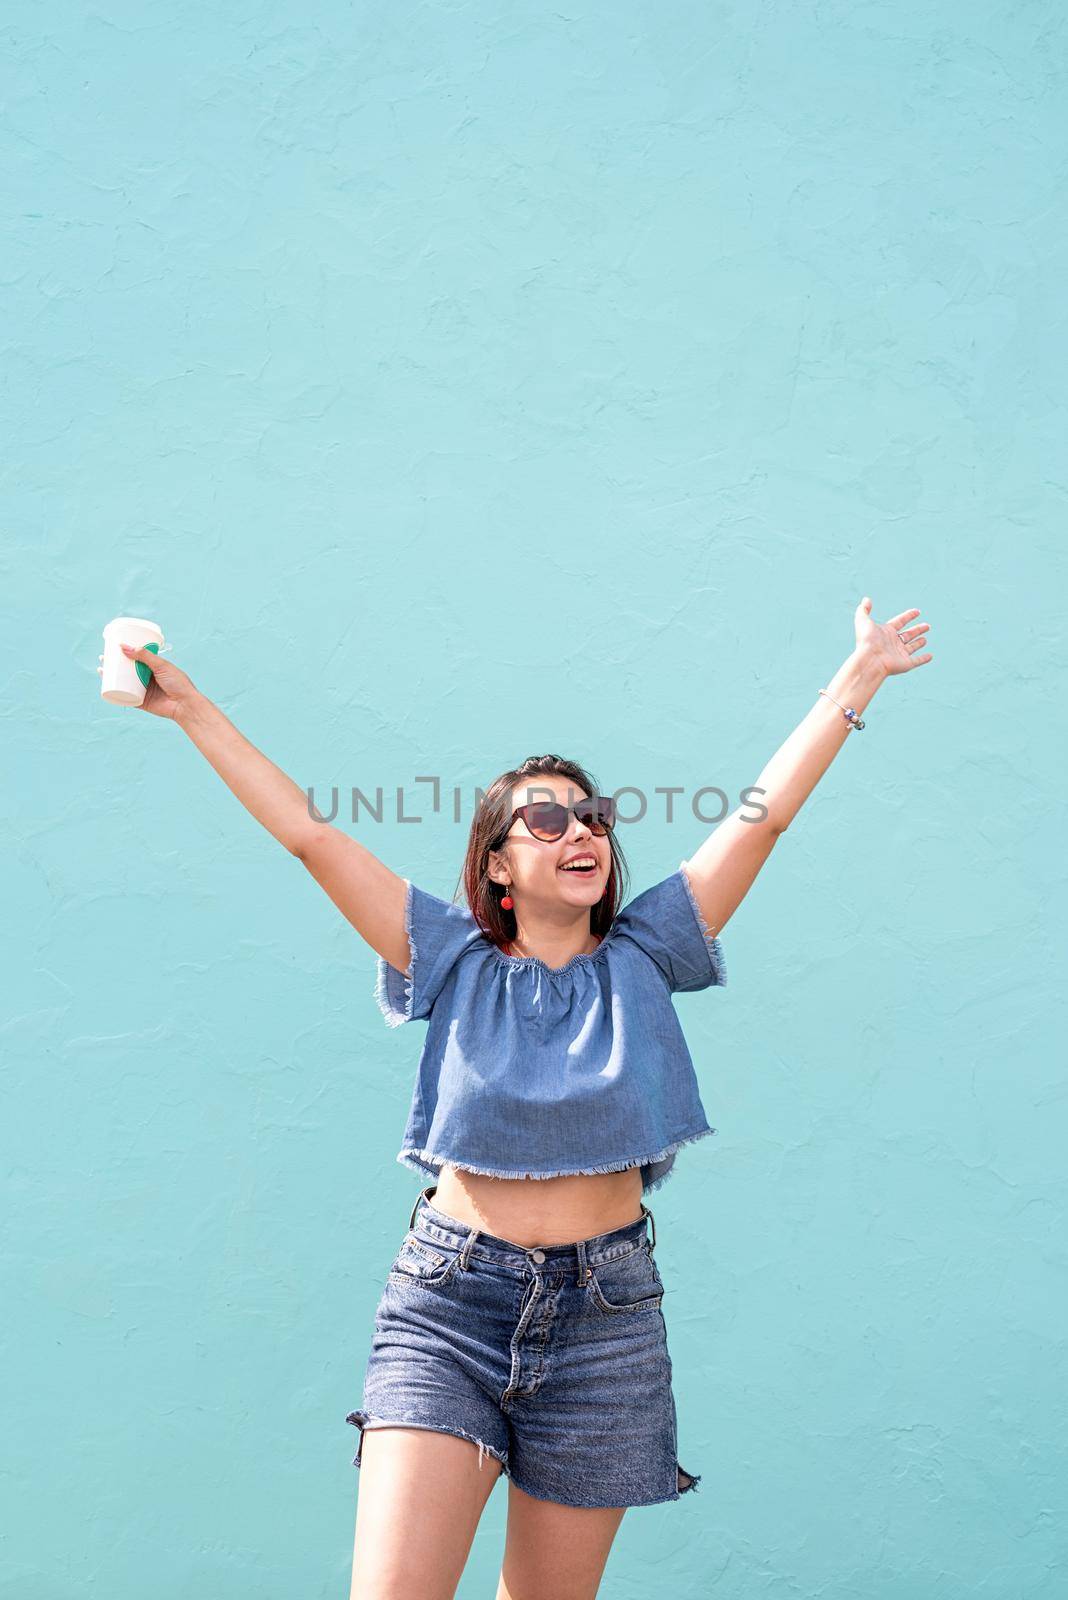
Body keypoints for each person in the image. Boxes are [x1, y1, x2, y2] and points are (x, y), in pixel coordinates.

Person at [117, 596, 932, 1600]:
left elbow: (766, 814)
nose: (577, 829)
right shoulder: (447, 955)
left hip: (607, 1319)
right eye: (544, 819)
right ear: (498, 866)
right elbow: (310, 837)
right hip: (450, 1305)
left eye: (590, 815)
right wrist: (193, 708)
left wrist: (857, 678)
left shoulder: (649, 951)